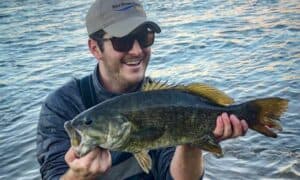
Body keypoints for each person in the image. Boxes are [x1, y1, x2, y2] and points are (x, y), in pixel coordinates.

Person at [37, 0, 248, 179]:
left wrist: (193, 140)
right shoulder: (62, 106)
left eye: (144, 37)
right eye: (123, 41)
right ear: (95, 48)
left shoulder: (163, 100)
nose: (137, 50)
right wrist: (77, 176)